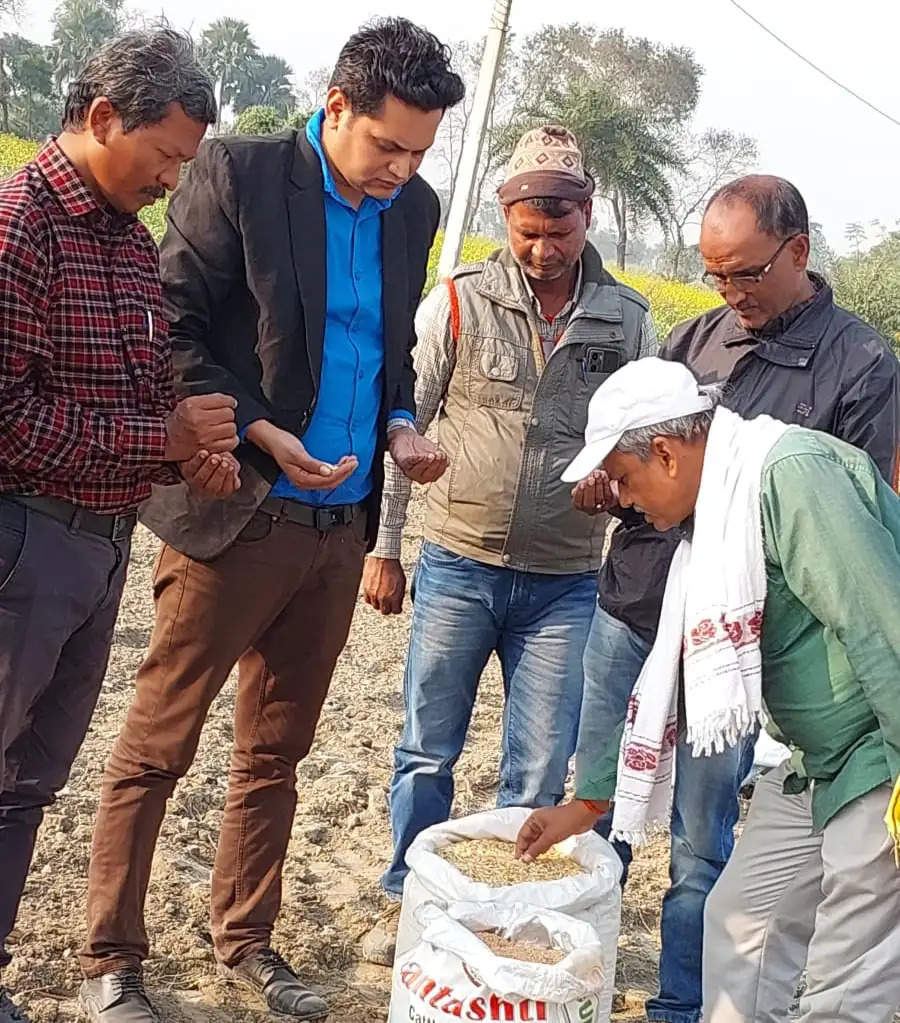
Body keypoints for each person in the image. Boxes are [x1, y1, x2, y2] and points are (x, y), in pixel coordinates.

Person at [78, 18, 464, 1023]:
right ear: (336, 106)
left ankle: (244, 941)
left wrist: (401, 423)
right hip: (239, 510)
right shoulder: (240, 175)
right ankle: (111, 959)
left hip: (338, 527)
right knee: (161, 743)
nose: (403, 168)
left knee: (275, 756)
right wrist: (253, 427)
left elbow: (391, 350)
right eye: (389, 145)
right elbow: (175, 325)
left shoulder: (412, 210)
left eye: (421, 152)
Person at [519, 175, 900, 1023]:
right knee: (741, 918)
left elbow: (884, 625)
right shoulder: (710, 516)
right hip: (817, 755)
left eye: (621, 479)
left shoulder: (792, 475)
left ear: (664, 450)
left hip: (879, 752)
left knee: (846, 984)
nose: (624, 503)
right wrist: (589, 800)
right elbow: (665, 681)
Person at [361, 124, 657, 949]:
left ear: (588, 215)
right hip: (458, 560)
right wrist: (386, 548)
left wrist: (619, 490)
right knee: (426, 748)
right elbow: (404, 422)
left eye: (559, 231)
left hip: (566, 580)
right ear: (504, 217)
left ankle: (508, 920)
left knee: (537, 766)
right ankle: (407, 899)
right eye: (527, 232)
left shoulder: (628, 320)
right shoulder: (456, 298)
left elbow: (648, 445)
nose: (542, 248)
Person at [0, 30, 231, 1023]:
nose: (174, 180)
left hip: (98, 544)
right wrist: (163, 435)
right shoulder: (18, 229)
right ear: (102, 120)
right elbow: (6, 418)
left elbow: (152, 394)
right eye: (167, 156)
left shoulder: (130, 243)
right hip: (21, 540)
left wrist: (194, 452)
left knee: (28, 783)